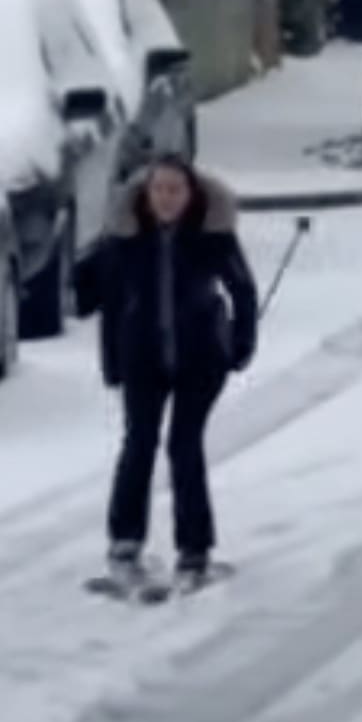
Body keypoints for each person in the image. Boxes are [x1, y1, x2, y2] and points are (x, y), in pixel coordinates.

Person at [99, 153, 259, 585]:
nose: (166, 199)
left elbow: (242, 289)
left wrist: (241, 344)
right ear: (145, 195)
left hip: (202, 357)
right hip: (142, 356)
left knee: (184, 445)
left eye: (175, 190)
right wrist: (111, 361)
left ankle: (194, 548)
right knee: (139, 441)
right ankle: (125, 539)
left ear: (191, 194)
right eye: (159, 190)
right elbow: (111, 303)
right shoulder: (128, 238)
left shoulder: (212, 234)